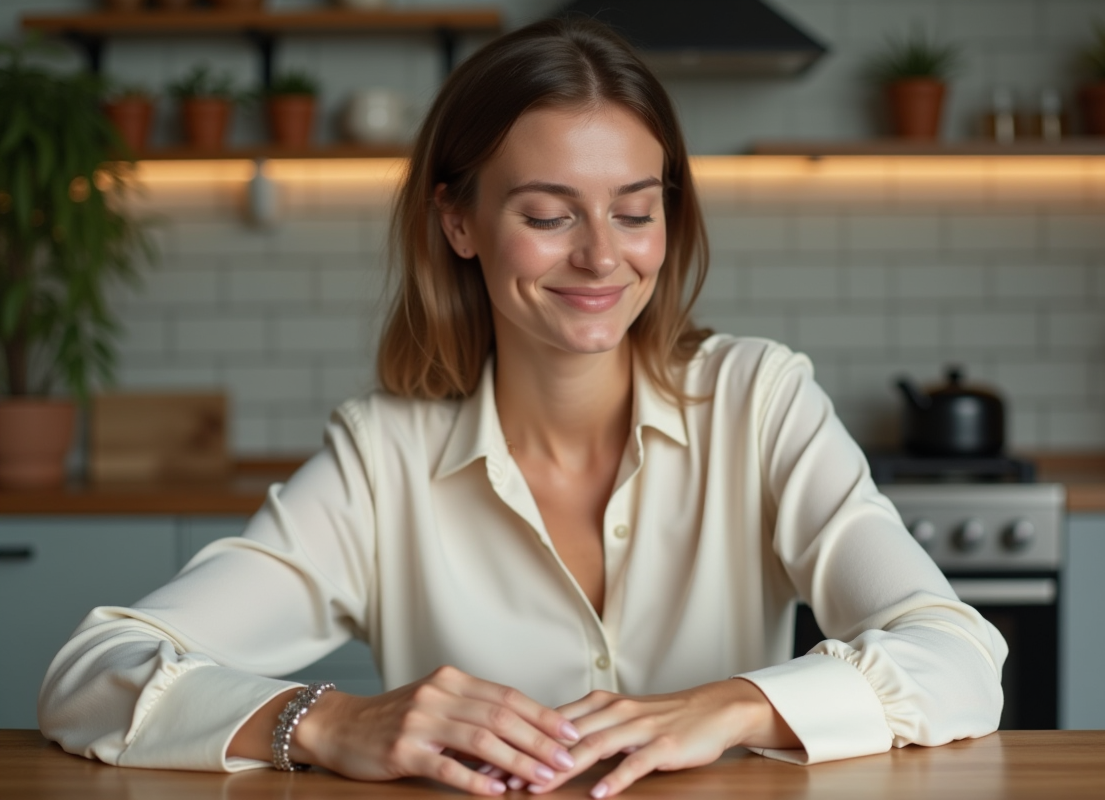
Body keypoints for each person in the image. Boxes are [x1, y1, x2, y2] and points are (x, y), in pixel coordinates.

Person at [39, 17, 1006, 799]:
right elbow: (93, 672)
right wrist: (329, 721)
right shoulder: (384, 456)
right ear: (457, 221)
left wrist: (737, 705)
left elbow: (958, 656)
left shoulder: (760, 400)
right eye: (548, 215)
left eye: (635, 211)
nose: (601, 256)